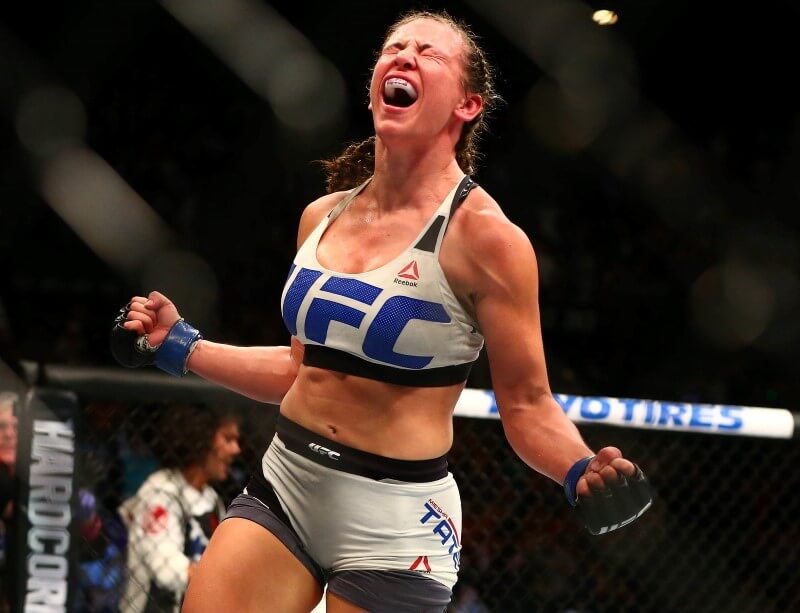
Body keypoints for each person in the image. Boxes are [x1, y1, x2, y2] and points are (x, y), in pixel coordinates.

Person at [111, 9, 652, 612]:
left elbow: (526, 404)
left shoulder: (487, 240)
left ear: (467, 105)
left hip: (395, 520)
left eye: (429, 52)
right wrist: (183, 346)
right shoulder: (323, 216)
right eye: (395, 47)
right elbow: (299, 370)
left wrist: (580, 471)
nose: (404, 56)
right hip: (287, 483)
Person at [117, 404, 241, 612]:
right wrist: (223, 583)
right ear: (202, 439)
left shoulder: (211, 499)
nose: (236, 450)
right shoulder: (161, 492)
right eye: (228, 439)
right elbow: (165, 571)